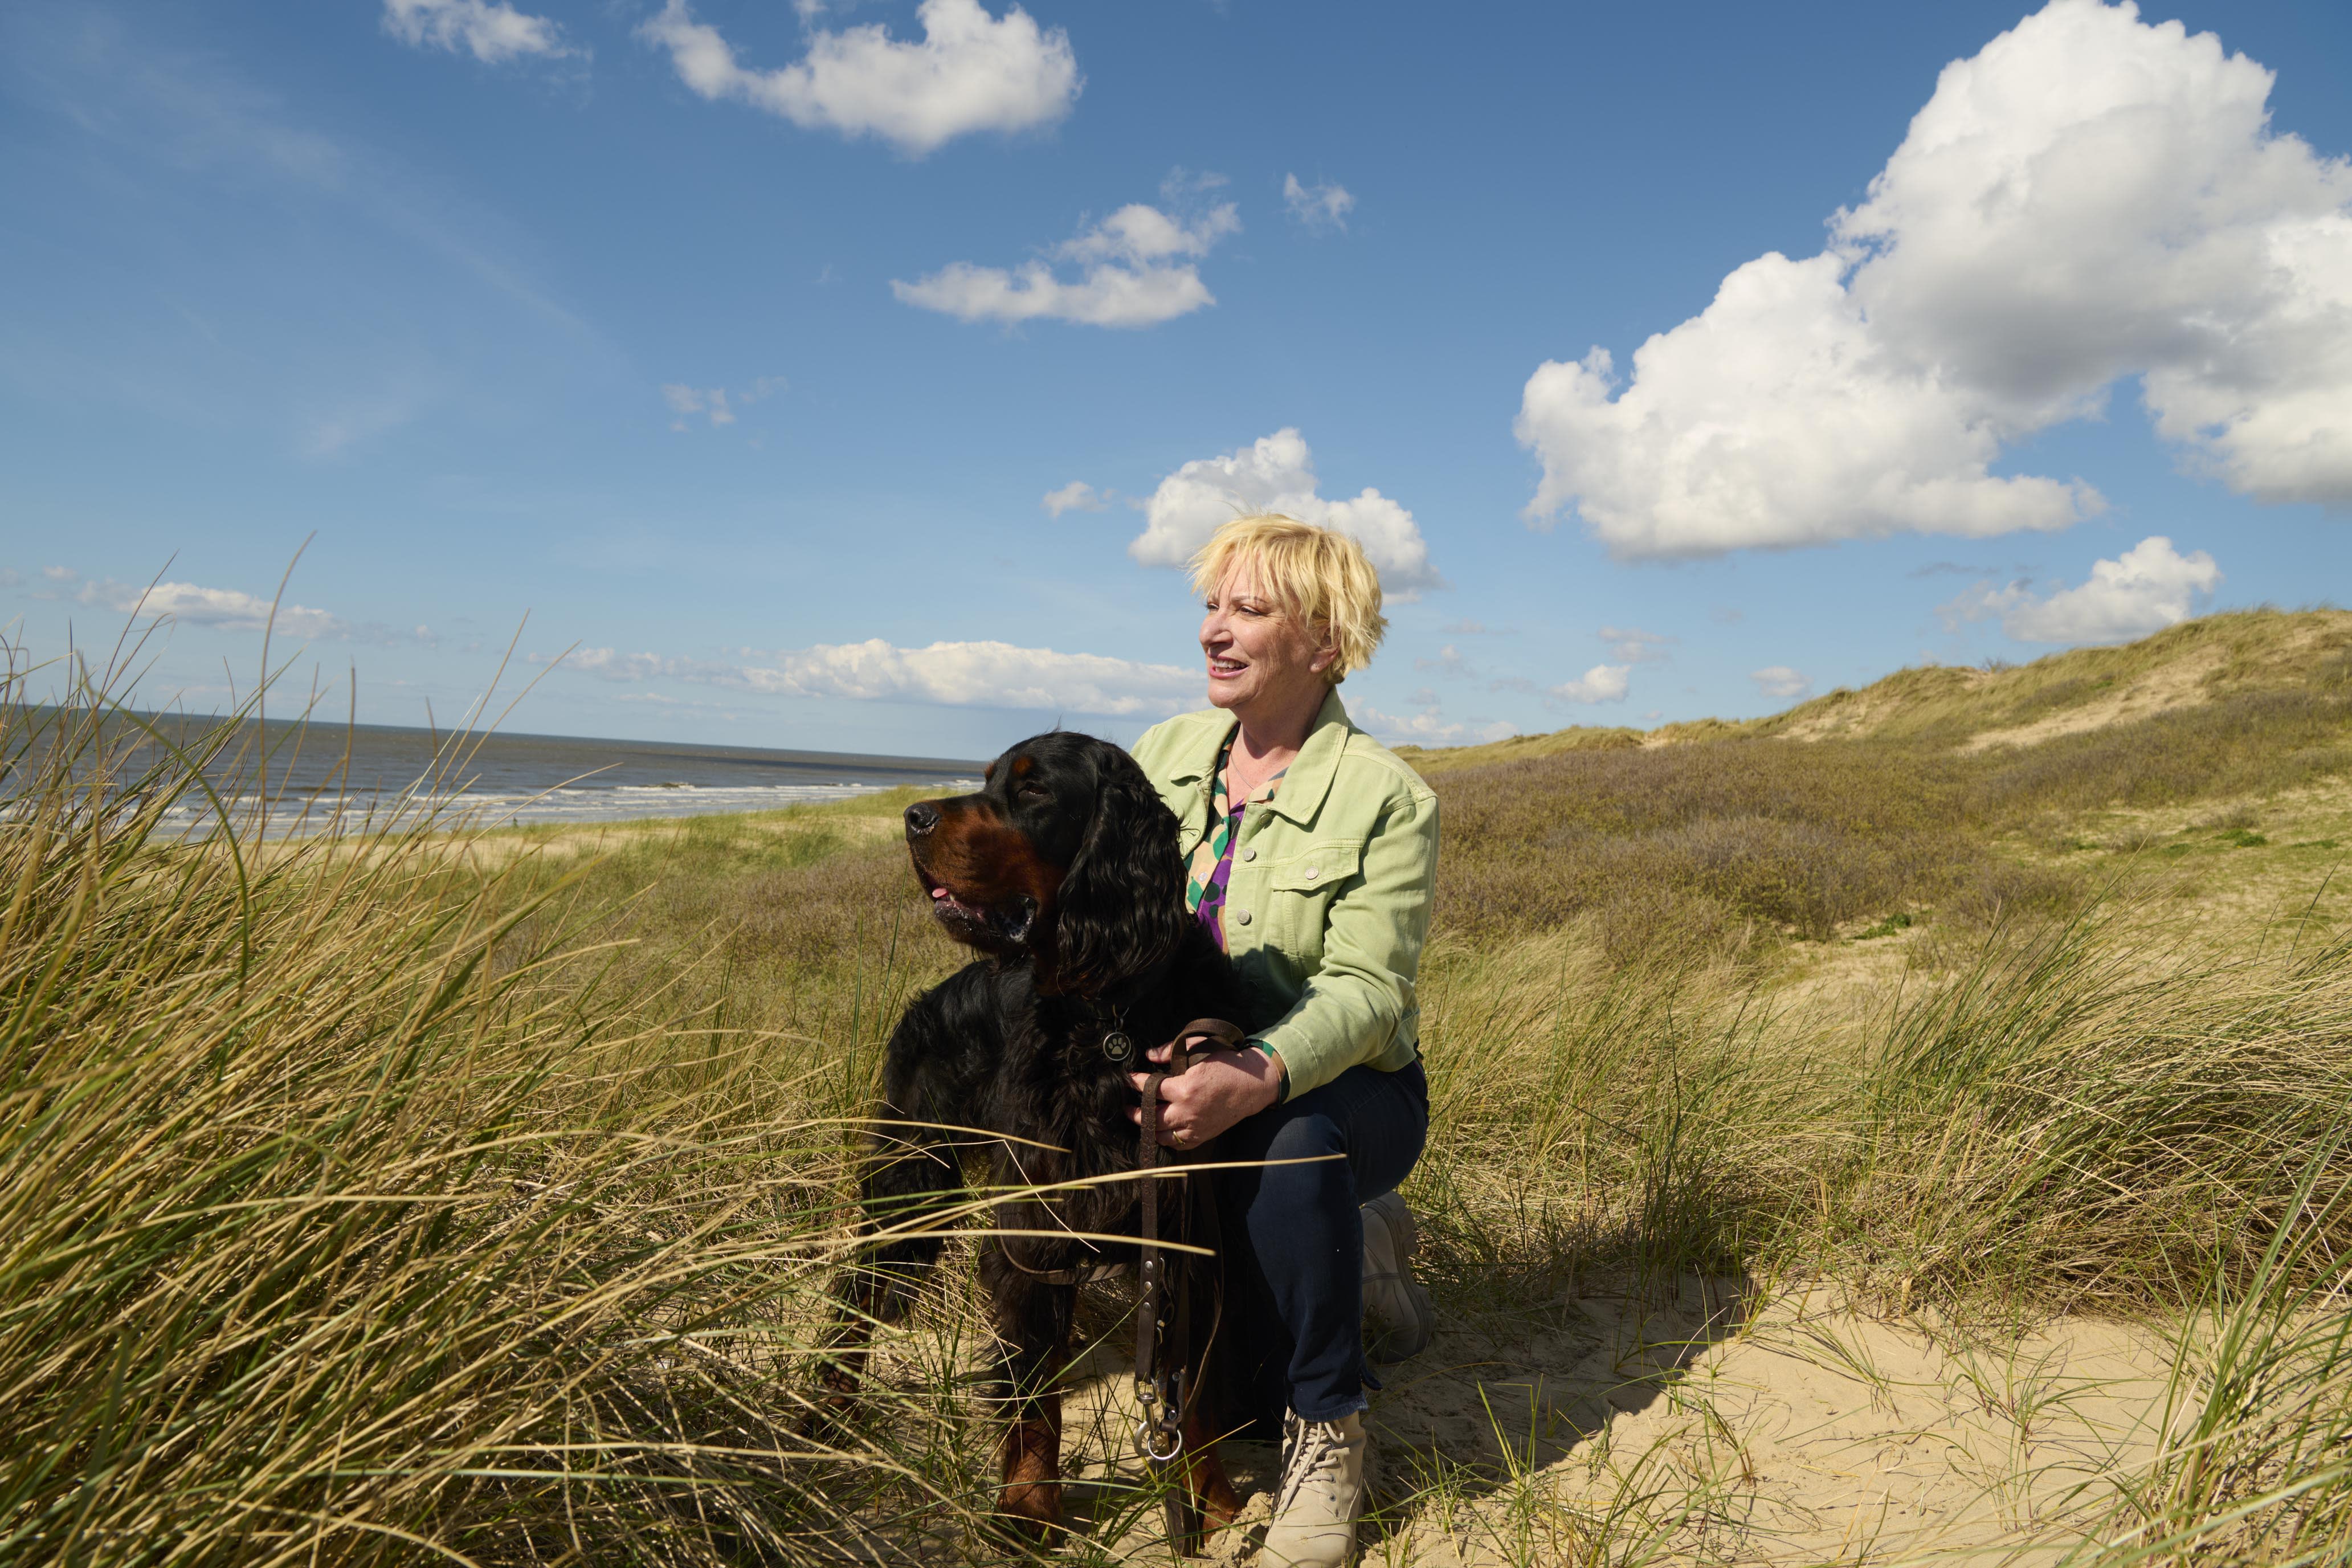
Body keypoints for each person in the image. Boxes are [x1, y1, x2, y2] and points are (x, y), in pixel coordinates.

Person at [1127, 514, 1438, 1567]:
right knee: (1235, 1386)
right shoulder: (1163, 755)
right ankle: (1365, 1256)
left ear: (1324, 642)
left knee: (1299, 1148)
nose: (1215, 631)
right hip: (1186, 1079)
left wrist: (1256, 1074)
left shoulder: (1388, 797)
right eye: (1211, 607)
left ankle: (1331, 1439)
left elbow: (1369, 992)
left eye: (1248, 610)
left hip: (1346, 1093)